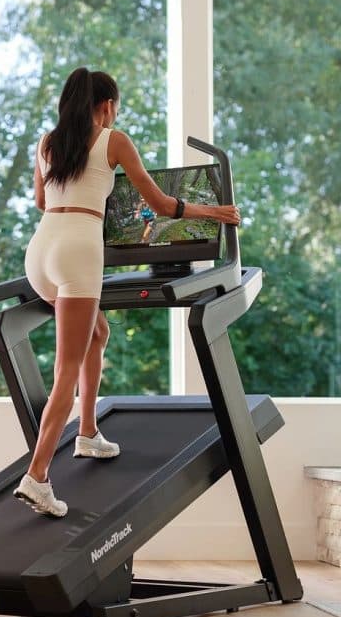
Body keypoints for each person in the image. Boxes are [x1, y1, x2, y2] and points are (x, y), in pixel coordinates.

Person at [14, 67, 241, 517]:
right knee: (66, 370)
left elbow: (41, 201)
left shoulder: (47, 142)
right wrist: (214, 211)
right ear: (107, 105)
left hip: (40, 250)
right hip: (79, 249)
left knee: (97, 333)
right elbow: (159, 204)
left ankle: (88, 433)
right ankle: (37, 477)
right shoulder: (113, 140)